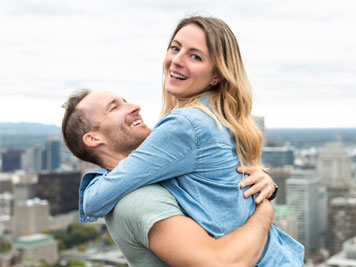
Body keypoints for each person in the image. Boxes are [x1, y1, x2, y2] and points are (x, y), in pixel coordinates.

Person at [75, 16, 304, 266]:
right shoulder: (219, 118)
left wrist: (96, 180)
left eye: (195, 56)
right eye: (175, 48)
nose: (177, 60)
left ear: (217, 74)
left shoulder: (185, 124)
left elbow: (94, 202)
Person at [62, 89, 275, 266]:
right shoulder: (140, 200)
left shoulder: (156, 179)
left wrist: (265, 185)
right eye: (115, 107)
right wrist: (264, 211)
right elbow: (221, 263)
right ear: (93, 138)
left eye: (125, 101)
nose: (135, 106)